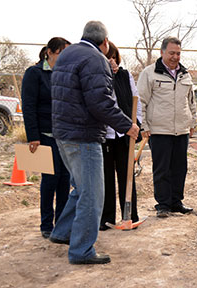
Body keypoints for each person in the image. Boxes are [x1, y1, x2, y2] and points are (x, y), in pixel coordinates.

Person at [48, 21, 139, 265]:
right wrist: (127, 125)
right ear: (105, 42)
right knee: (93, 195)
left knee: (80, 188)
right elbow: (101, 103)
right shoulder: (95, 59)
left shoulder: (67, 55)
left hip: (63, 133)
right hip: (83, 136)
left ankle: (62, 232)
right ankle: (81, 251)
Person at [137, 36, 197, 218]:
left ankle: (176, 202)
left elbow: (191, 101)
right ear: (162, 52)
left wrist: (192, 122)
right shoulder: (149, 73)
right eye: (171, 53)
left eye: (178, 53)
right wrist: (143, 126)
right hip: (159, 130)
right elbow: (141, 101)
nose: (175, 57)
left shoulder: (186, 75)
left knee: (180, 167)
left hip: (181, 129)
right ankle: (162, 204)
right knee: (162, 168)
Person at [21, 37, 71, 239]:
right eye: (61, 53)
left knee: (65, 181)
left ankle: (62, 223)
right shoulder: (35, 74)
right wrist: (33, 136)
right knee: (50, 180)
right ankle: (46, 224)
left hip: (65, 136)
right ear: (49, 52)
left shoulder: (66, 74)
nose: (64, 57)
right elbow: (29, 106)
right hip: (44, 135)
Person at [99, 41, 141, 231]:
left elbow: (135, 101)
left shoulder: (125, 76)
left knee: (127, 176)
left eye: (114, 57)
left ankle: (130, 216)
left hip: (124, 134)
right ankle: (106, 218)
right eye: (108, 58)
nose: (112, 61)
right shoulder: (97, 77)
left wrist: (136, 124)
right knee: (106, 178)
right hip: (104, 136)